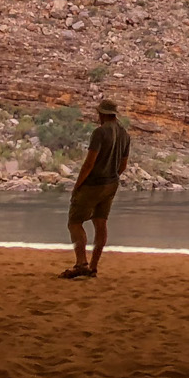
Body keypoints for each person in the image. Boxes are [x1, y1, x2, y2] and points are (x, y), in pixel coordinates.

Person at [61, 99, 131, 280]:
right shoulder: (125, 134)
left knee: (74, 222)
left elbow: (89, 163)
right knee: (101, 223)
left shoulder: (100, 133)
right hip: (111, 184)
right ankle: (93, 266)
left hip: (93, 184)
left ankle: (81, 263)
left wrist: (77, 186)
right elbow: (123, 165)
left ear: (102, 114)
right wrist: (112, 176)